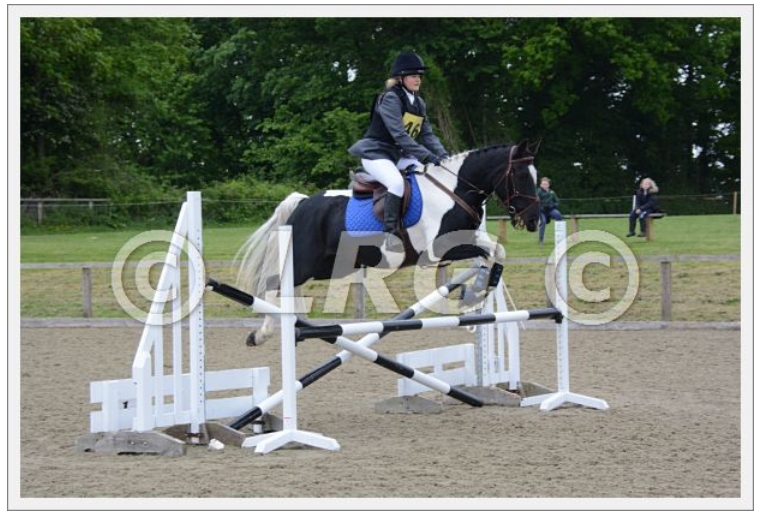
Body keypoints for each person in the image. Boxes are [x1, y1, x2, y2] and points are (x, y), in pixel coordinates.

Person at [348, 50, 449, 252]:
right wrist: (427, 156)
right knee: (396, 183)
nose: (418, 79)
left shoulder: (418, 103)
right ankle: (390, 233)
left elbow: (427, 135)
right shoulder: (390, 98)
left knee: (429, 176)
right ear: (400, 78)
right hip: (376, 154)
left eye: (419, 76)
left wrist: (444, 156)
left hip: (397, 156)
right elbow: (400, 135)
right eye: (413, 75)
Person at [537, 177, 563, 245]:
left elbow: (557, 201)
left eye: (545, 184)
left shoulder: (552, 192)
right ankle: (541, 240)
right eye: (542, 184)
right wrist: (541, 207)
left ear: (548, 185)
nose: (544, 185)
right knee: (543, 222)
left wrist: (553, 205)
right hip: (542, 211)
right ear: (540, 185)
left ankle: (560, 237)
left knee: (558, 215)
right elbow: (536, 202)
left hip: (551, 210)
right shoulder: (538, 192)